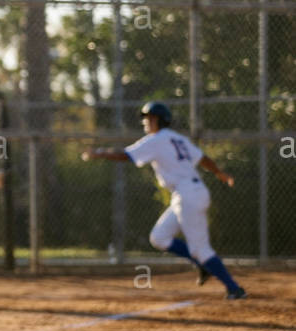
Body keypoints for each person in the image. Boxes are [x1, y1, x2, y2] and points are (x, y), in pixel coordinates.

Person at [83, 101, 246, 299]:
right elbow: (203, 159)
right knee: (159, 237)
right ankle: (202, 266)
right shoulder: (177, 138)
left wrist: (99, 154)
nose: (145, 122)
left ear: (157, 120)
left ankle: (233, 288)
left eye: (148, 118)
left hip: (188, 195)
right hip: (187, 193)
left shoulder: (156, 139)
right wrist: (220, 173)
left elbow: (126, 156)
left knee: (200, 248)